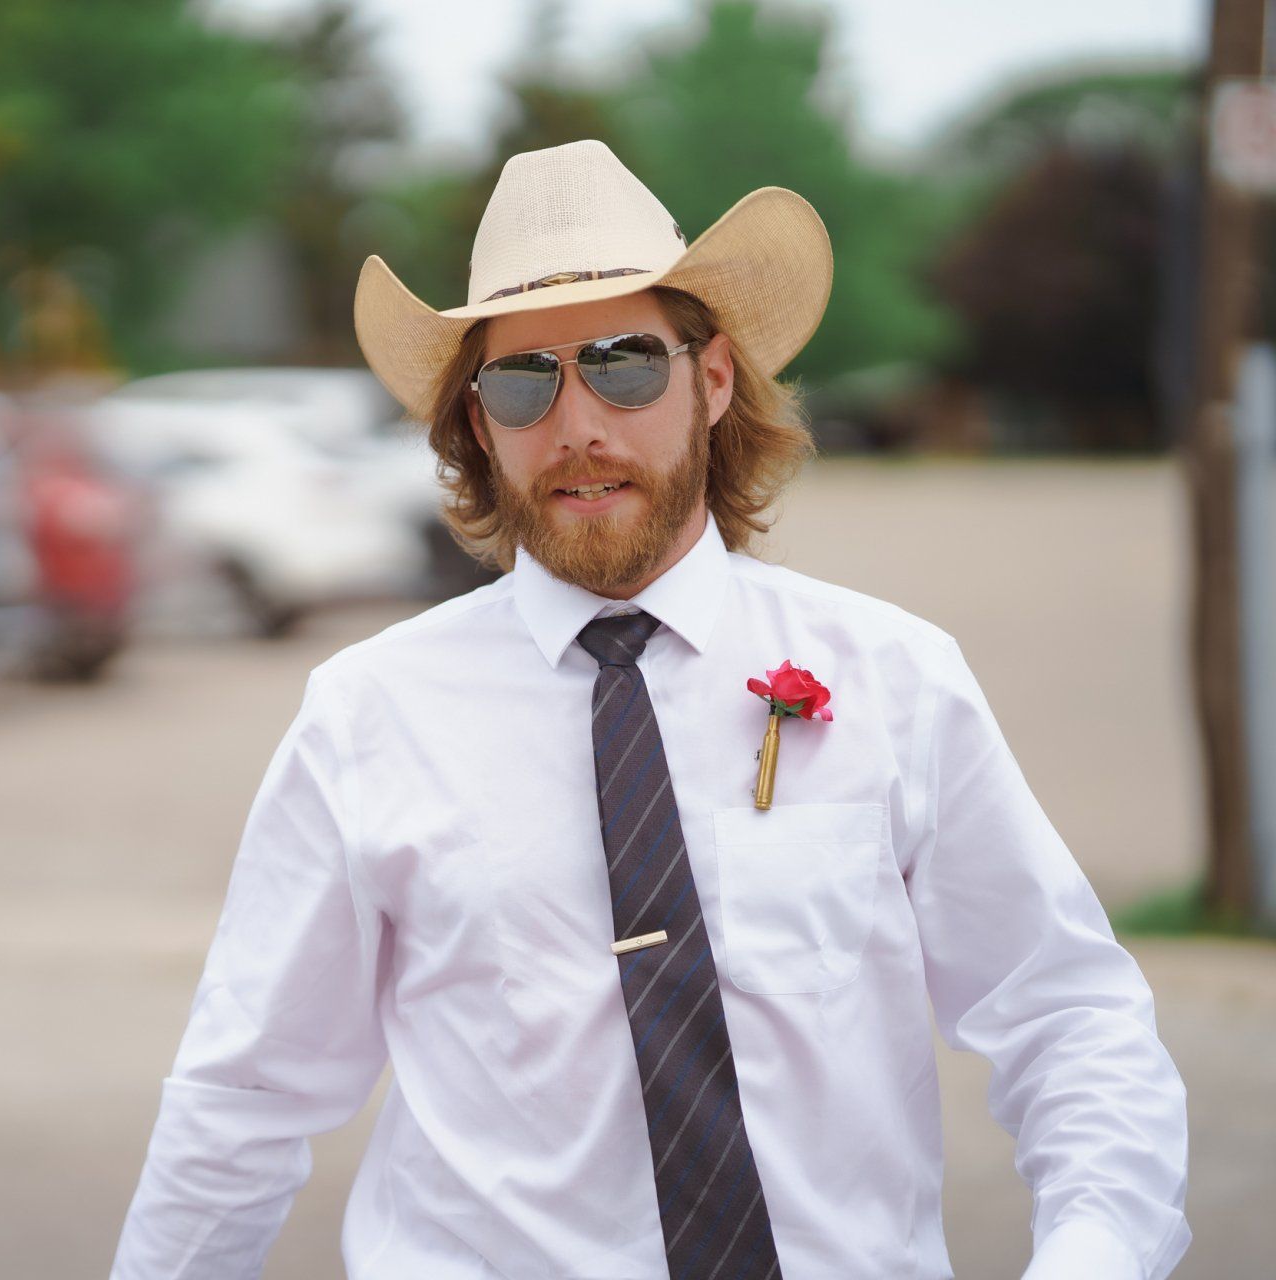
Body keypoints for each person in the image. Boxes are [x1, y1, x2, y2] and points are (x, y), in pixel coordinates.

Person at [107, 139, 1190, 1279]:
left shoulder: (894, 679)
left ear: (713, 379)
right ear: (479, 423)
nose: (577, 423)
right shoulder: (368, 714)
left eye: (624, 364)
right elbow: (244, 1101)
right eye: (524, 380)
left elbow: (1068, 1015)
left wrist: (1091, 1256)